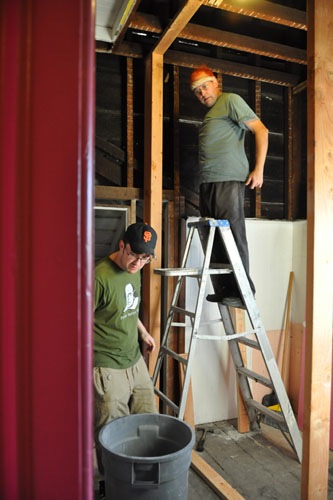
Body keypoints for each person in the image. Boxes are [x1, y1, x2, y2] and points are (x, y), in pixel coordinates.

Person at [190, 65, 269, 307]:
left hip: (228, 180)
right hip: (209, 183)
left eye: (205, 85)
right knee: (214, 238)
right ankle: (226, 291)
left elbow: (261, 130)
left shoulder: (230, 100)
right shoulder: (212, 112)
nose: (202, 92)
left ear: (215, 82)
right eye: (196, 91)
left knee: (233, 236)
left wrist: (259, 169)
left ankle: (245, 293)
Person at [93, 222, 158, 481]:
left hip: (134, 359)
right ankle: (114, 486)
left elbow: (128, 308)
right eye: (133, 255)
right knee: (113, 434)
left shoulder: (136, 269)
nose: (137, 263)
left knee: (148, 423)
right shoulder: (99, 276)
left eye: (145, 258)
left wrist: (143, 332)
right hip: (106, 365)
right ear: (122, 245)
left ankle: (143, 484)